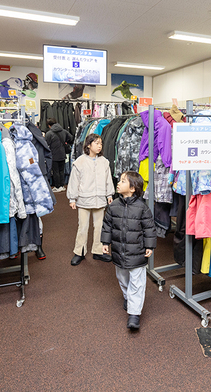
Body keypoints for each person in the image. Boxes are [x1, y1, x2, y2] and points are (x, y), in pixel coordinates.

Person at [101, 171, 156, 330]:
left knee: (137, 283)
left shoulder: (142, 208)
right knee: (122, 277)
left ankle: (134, 313)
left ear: (133, 188)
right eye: (119, 180)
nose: (118, 183)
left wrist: (149, 245)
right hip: (119, 251)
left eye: (123, 181)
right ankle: (127, 296)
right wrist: (105, 242)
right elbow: (107, 225)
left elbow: (149, 228)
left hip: (137, 252)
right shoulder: (113, 206)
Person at [67, 134, 114, 265]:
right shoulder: (80, 162)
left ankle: (98, 251)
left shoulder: (104, 162)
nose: (99, 146)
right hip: (84, 200)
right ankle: (79, 252)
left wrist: (109, 195)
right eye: (96, 143)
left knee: (99, 227)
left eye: (101, 144)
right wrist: (72, 198)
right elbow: (74, 181)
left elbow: (108, 180)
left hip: (100, 199)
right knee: (83, 227)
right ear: (88, 145)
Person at [45, 118, 73, 192]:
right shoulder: (64, 131)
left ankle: (57, 186)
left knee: (55, 171)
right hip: (63, 154)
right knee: (61, 171)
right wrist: (66, 142)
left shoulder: (49, 134)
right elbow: (71, 138)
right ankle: (62, 185)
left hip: (54, 154)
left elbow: (46, 144)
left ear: (49, 125)